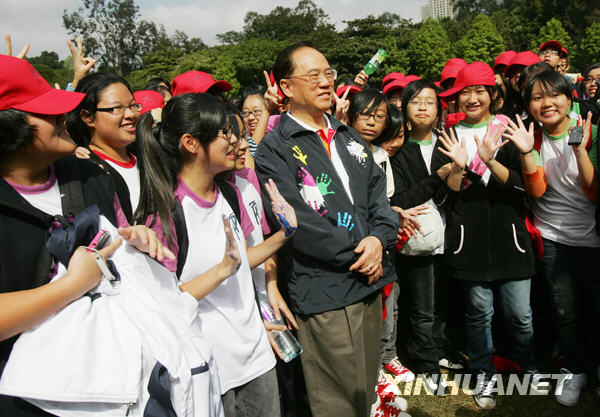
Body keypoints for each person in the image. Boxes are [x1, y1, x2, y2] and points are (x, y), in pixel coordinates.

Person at [0, 54, 174, 416]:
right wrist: (70, 286)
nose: (64, 119)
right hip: (31, 398)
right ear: (8, 126)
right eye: (47, 112)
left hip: (117, 386)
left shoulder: (91, 177)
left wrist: (135, 241)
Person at [254, 41, 400, 417]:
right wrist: (360, 251)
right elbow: (297, 221)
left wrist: (377, 242)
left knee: (363, 391)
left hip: (369, 279)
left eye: (328, 74)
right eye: (313, 75)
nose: (325, 82)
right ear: (285, 87)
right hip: (326, 290)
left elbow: (378, 201)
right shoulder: (275, 148)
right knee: (334, 402)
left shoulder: (349, 136)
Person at [134, 92, 298, 417]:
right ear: (191, 143)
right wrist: (221, 271)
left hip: (256, 355)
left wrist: (285, 233)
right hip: (210, 365)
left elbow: (241, 261)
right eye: (225, 133)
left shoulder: (229, 192)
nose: (235, 140)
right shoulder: (167, 214)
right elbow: (163, 303)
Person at [435, 61, 540, 410]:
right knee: (478, 313)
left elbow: (521, 187)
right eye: (464, 92)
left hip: (510, 238)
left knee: (519, 314)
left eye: (479, 91)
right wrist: (461, 166)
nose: (472, 98)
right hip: (469, 241)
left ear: (493, 95)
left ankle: (526, 366)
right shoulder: (448, 134)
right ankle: (483, 373)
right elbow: (448, 191)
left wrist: (489, 160)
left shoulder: (510, 129)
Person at [506, 69, 600, 407]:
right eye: (537, 97)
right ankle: (575, 369)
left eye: (554, 95)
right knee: (565, 311)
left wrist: (580, 150)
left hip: (592, 237)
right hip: (553, 238)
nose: (547, 103)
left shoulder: (593, 131)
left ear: (568, 96)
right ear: (528, 105)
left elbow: (593, 195)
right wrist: (527, 152)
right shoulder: (533, 138)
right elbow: (538, 190)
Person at [390, 79, 466, 395]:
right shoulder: (397, 149)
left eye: (430, 101)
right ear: (405, 108)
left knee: (443, 301)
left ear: (439, 109)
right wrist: (437, 178)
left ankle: (440, 349)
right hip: (417, 237)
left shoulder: (446, 142)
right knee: (421, 306)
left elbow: (455, 192)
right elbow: (402, 199)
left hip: (448, 236)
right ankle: (425, 364)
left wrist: (456, 169)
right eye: (416, 101)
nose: (423, 106)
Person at [67, 73, 142, 222]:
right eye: (116, 108)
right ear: (88, 116)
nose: (130, 114)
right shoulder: (87, 173)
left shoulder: (145, 160)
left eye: (133, 105)